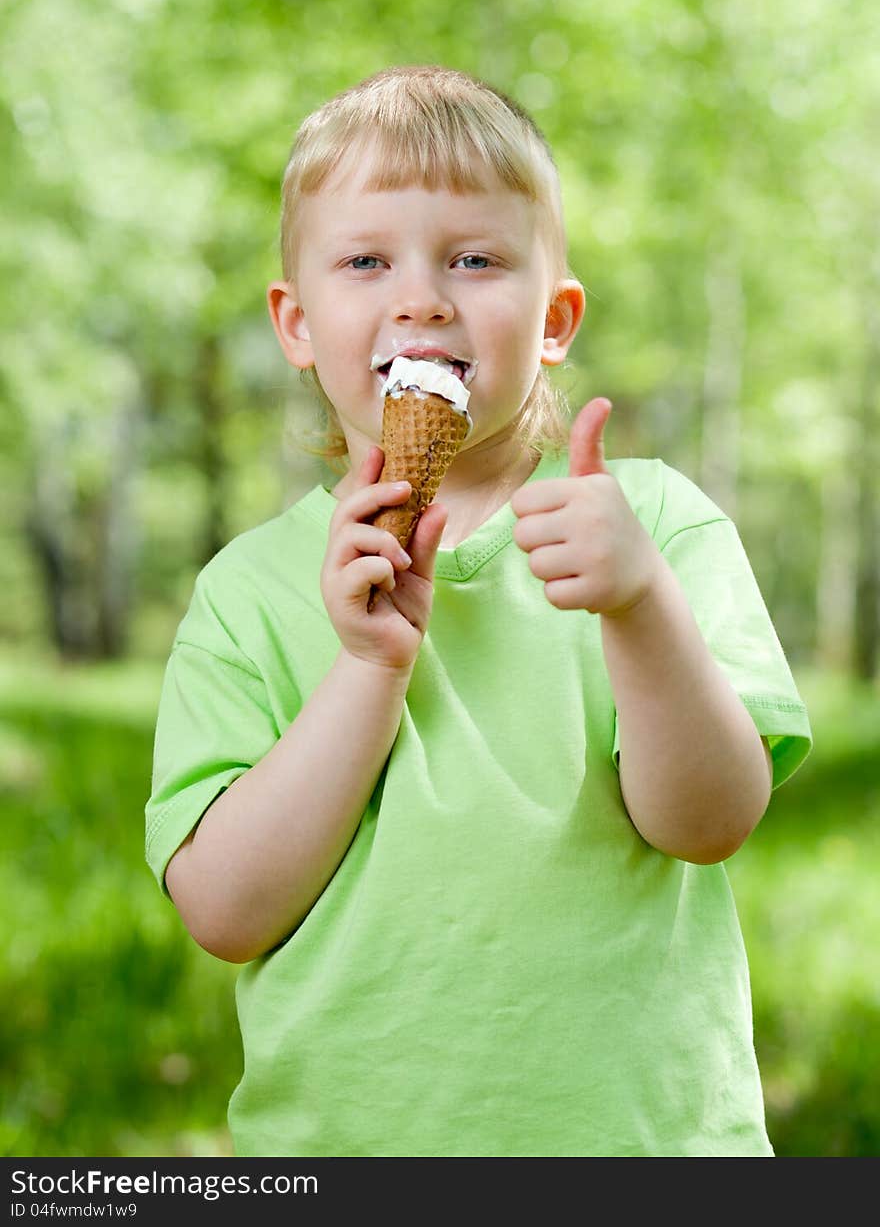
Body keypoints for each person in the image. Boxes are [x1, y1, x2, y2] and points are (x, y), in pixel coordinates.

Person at [146, 64, 812, 1157]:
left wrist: (639, 605)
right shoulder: (247, 594)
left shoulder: (651, 525)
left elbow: (708, 821)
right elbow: (225, 912)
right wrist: (365, 669)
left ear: (553, 321)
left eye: (474, 258)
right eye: (366, 260)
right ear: (297, 321)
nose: (421, 297)